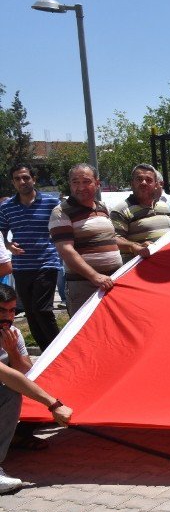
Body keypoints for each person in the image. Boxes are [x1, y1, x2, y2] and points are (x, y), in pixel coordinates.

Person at [0, 282, 73, 494]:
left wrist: (13, 352)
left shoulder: (12, 333)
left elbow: (27, 372)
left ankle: (13, 438)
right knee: (11, 391)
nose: (8, 316)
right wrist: (53, 404)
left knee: (15, 392)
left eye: (12, 310)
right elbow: (6, 374)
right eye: (2, 310)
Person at [0, 165, 62, 351]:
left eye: (26, 177)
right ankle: (46, 355)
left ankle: (59, 351)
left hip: (47, 261)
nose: (22, 182)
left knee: (42, 309)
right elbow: (1, 231)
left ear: (33, 179)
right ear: (13, 182)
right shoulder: (7, 207)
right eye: (17, 179)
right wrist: (8, 245)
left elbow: (62, 227)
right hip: (21, 266)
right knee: (31, 313)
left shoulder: (51, 203)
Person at [49, 164, 122, 316]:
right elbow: (65, 250)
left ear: (97, 183)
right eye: (75, 182)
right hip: (84, 287)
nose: (80, 187)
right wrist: (94, 276)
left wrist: (134, 247)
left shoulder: (102, 207)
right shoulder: (61, 212)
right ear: (70, 184)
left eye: (86, 181)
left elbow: (110, 239)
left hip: (112, 281)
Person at [110, 164, 170, 263]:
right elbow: (114, 240)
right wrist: (135, 247)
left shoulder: (164, 206)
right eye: (139, 179)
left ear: (156, 184)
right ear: (132, 183)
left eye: (149, 180)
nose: (144, 183)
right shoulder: (120, 210)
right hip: (142, 270)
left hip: (169, 264)